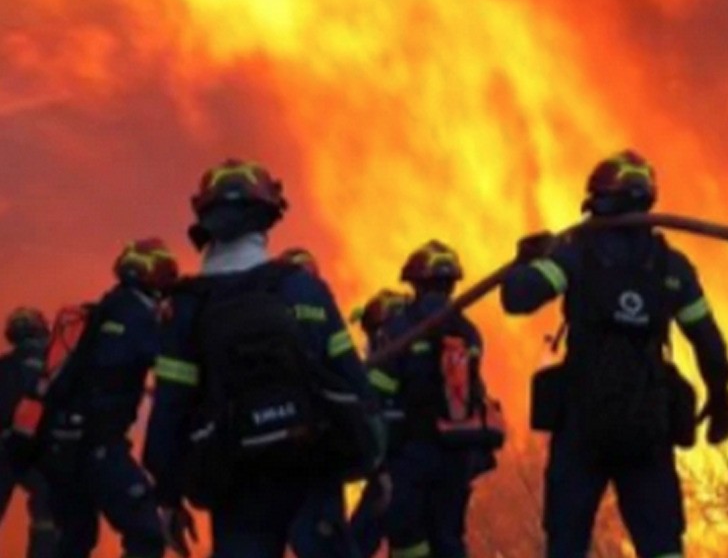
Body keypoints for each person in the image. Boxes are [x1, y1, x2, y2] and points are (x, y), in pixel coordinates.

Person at [500, 149, 728, 558]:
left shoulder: (575, 254)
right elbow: (709, 344)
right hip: (646, 430)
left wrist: (525, 264)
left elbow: (516, 298)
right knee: (662, 545)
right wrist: (720, 400)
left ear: (598, 199)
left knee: (566, 543)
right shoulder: (670, 267)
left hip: (581, 427)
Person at [144, 159, 383, 558]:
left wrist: (168, 497)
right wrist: (378, 465)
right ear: (267, 218)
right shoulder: (303, 288)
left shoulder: (187, 307)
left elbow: (169, 411)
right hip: (312, 466)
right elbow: (354, 384)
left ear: (206, 222)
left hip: (235, 481)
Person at [41, 240, 177, 558]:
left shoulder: (106, 308)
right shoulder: (135, 314)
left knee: (75, 539)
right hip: (97, 444)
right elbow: (160, 365)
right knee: (146, 533)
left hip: (61, 444)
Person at [370, 241, 500, 558]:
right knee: (448, 535)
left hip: (411, 452)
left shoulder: (398, 328)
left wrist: (376, 454)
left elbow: (377, 395)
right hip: (457, 452)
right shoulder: (468, 330)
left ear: (415, 283)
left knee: (407, 537)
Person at [349, 289, 409, 558]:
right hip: (412, 469)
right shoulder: (421, 361)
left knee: (356, 543)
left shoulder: (387, 369)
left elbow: (378, 418)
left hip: (394, 472)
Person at [0, 307, 56, 557]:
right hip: (38, 454)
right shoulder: (55, 368)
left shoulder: (4, 366)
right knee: (47, 510)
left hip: (4, 450)